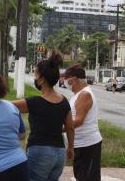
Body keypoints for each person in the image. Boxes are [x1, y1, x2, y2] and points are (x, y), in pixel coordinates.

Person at [11, 52, 75, 181]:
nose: (35, 77)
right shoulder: (64, 101)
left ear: (42, 79)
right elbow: (70, 127)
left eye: (36, 74)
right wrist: (71, 148)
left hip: (40, 152)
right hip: (59, 153)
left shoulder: (34, 102)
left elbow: (6, 106)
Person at [62, 64, 103, 181]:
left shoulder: (85, 94)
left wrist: (58, 128)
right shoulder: (77, 95)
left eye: (66, 80)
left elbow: (79, 121)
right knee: (81, 176)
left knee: (87, 178)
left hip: (88, 145)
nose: (64, 82)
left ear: (74, 79)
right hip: (79, 145)